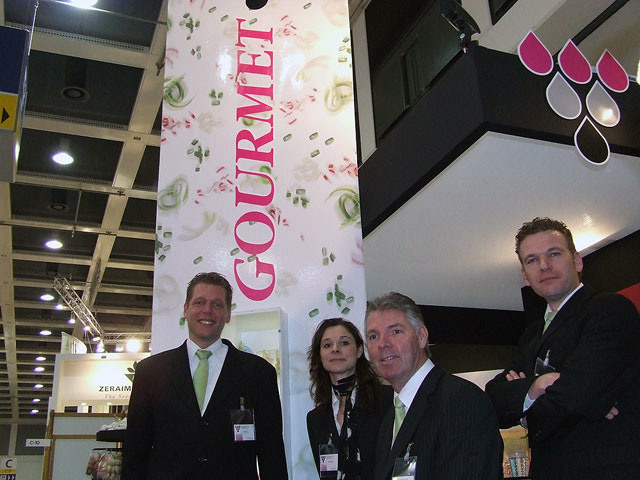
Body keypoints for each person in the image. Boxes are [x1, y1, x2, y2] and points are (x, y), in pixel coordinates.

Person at [485, 217, 640, 479]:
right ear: (525, 276)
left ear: (577, 261)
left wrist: (525, 412)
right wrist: (537, 385)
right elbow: (493, 399)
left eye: (554, 254)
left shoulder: (609, 310)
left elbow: (579, 394)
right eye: (532, 260)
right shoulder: (532, 334)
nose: (544, 266)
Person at [122, 272, 288, 480]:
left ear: (228, 314)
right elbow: (135, 449)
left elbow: (271, 452)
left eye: (217, 304)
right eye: (199, 302)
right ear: (186, 309)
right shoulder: (150, 372)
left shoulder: (259, 373)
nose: (207, 310)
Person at [365, 292, 503, 480]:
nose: (382, 344)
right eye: (373, 336)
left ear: (421, 337)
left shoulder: (462, 400)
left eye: (395, 331)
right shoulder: (388, 419)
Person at [306, 318, 393, 479]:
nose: (335, 349)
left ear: (359, 350)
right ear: (320, 355)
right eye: (327, 345)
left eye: (344, 343)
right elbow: (326, 474)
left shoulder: (387, 400)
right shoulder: (316, 419)